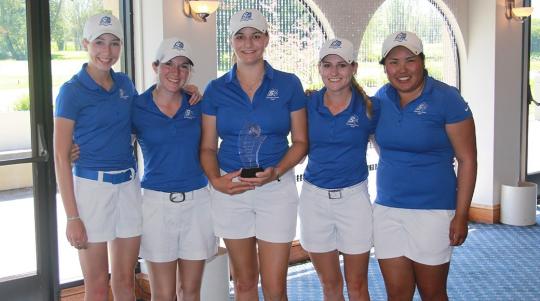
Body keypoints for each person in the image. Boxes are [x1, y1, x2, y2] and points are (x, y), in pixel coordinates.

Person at [200, 8, 308, 301]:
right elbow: (208, 147)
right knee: (245, 283)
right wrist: (215, 180)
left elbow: (300, 142)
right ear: (231, 41)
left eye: (256, 36)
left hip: (276, 188)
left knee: (275, 288)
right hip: (232, 190)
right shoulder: (216, 89)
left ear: (266, 39)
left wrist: (277, 171)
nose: (248, 43)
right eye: (240, 36)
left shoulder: (289, 84)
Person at [373, 31, 477, 301]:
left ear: (422, 61)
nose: (402, 69)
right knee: (396, 294)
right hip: (387, 210)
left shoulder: (447, 98)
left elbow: (467, 160)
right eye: (393, 62)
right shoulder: (380, 99)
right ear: (385, 67)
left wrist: (462, 214)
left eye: (410, 60)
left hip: (433, 211)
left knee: (432, 293)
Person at [54, 13, 142, 300]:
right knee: (96, 285)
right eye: (99, 42)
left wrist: (185, 90)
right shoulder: (71, 92)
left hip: (127, 186)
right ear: (85, 44)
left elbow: (145, 120)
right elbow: (60, 155)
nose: (107, 51)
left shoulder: (126, 85)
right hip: (91, 190)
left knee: (126, 280)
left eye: (115, 43)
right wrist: (72, 216)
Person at [132, 37, 218, 301]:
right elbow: (112, 138)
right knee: (164, 294)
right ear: (155, 66)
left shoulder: (198, 104)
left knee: (190, 292)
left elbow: (211, 147)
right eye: (169, 64)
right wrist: (77, 148)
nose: (176, 72)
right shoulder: (137, 107)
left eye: (184, 66)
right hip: (156, 206)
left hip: (197, 203)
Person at [299, 38, 378, 301]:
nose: (334, 72)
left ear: (353, 68)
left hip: (354, 200)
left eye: (341, 65)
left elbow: (388, 150)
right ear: (319, 68)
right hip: (314, 199)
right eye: (328, 65)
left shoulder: (369, 108)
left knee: (357, 285)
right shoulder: (306, 103)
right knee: (330, 284)